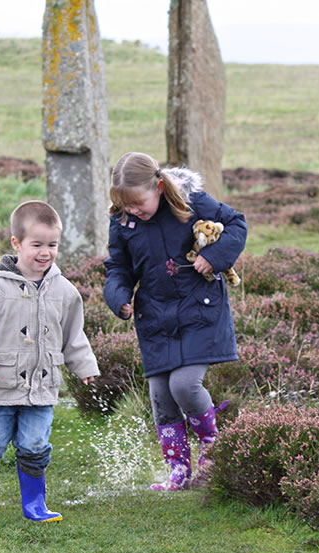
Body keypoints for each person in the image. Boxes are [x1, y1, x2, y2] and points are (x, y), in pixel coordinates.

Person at [103, 152, 246, 491]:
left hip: (200, 310)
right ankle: (178, 470)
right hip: (154, 319)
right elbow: (118, 267)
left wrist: (213, 257)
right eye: (127, 206)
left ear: (160, 186)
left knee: (184, 385)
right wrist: (118, 296)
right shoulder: (123, 222)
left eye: (140, 203)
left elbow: (237, 224)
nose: (134, 211)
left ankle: (212, 448)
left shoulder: (192, 200)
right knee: (162, 399)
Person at [0, 200, 99, 521]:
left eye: (52, 245)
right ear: (16, 243)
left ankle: (34, 504)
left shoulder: (65, 292)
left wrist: (85, 367)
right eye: (36, 244)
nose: (45, 252)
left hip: (43, 386)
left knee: (35, 445)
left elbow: (74, 336)